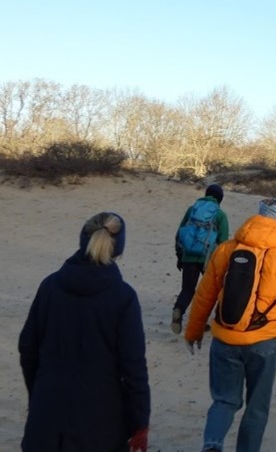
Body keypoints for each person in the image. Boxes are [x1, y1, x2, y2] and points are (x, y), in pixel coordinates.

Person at [19, 212, 151, 452]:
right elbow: (133, 367)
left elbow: (28, 348)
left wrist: (38, 393)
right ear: (118, 250)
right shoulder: (123, 297)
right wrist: (140, 423)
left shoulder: (50, 286)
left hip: (46, 418)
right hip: (101, 426)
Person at [185, 213, 276, 452]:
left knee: (223, 400)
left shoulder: (225, 250)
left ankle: (212, 444)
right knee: (257, 407)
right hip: (264, 341)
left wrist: (194, 331)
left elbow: (204, 295)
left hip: (225, 337)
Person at [172, 183, 230, 334]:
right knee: (210, 292)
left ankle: (178, 309)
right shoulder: (220, 215)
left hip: (188, 257)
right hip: (208, 259)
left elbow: (180, 233)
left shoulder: (192, 210)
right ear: (220, 199)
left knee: (187, 289)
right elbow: (223, 242)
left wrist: (180, 256)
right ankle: (203, 322)